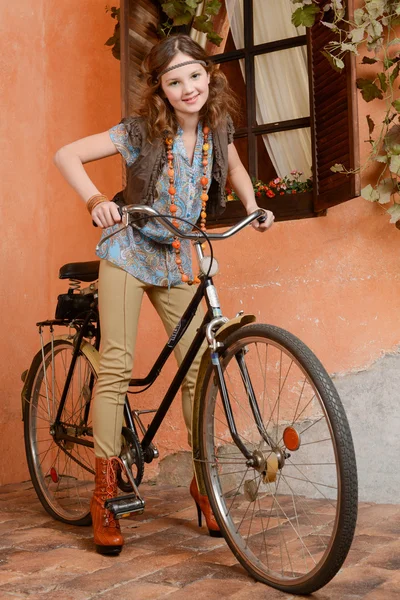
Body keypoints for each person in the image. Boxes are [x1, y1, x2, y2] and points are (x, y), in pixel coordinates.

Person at [54, 33, 274, 556]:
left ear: (208, 74)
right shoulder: (139, 130)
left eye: (194, 75)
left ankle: (204, 484)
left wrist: (252, 206)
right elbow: (66, 154)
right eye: (174, 81)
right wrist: (94, 202)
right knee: (116, 363)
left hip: (177, 255)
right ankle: (104, 496)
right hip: (129, 251)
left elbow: (238, 168)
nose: (188, 87)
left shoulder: (217, 125)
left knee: (201, 367)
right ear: (161, 88)